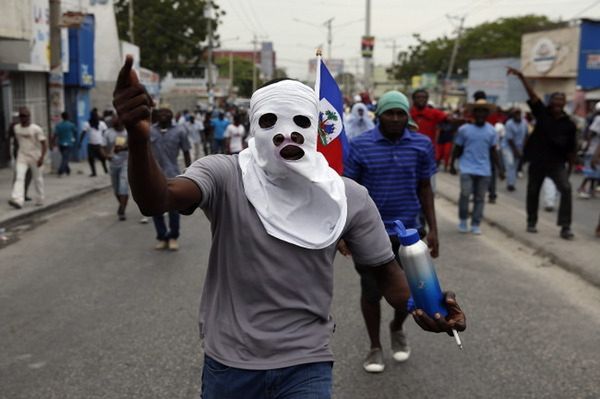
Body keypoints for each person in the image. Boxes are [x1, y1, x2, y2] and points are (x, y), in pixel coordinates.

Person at [113, 56, 466, 398]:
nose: (287, 134)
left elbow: (386, 271)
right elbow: (157, 200)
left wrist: (425, 308)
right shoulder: (224, 175)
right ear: (253, 126)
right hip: (230, 363)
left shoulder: (346, 196)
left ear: (316, 129)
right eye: (270, 122)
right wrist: (139, 138)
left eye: (300, 122)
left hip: (306, 361)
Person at [344, 90, 438, 373]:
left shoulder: (421, 145)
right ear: (379, 115)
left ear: (408, 116)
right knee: (371, 291)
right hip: (368, 235)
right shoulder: (360, 146)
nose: (395, 118)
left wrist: (434, 229)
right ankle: (375, 346)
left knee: (410, 291)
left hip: (410, 233)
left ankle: (397, 326)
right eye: (389, 113)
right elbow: (349, 191)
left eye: (401, 113)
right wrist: (345, 233)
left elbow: (425, 187)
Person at [507, 67, 577, 240]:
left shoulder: (569, 124)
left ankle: (565, 226)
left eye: (561, 99)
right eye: (555, 99)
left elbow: (572, 148)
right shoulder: (542, 113)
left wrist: (571, 166)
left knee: (566, 189)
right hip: (538, 160)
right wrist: (522, 77)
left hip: (557, 163)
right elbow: (533, 96)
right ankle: (531, 221)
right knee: (533, 191)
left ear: (564, 103)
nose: (558, 102)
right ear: (551, 102)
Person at [450, 99, 504, 235]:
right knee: (465, 195)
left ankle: (475, 223)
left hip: (484, 170)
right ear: (473, 113)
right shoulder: (464, 130)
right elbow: (458, 148)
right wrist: (451, 164)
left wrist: (500, 169)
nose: (480, 114)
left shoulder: (492, 131)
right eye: (478, 111)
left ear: (487, 114)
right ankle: (463, 220)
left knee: (480, 198)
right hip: (466, 168)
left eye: (483, 111)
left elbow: (493, 151)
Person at [149, 107, 192, 250]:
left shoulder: (180, 131)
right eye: (161, 112)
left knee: (174, 207)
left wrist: (190, 172)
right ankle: (161, 236)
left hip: (173, 173)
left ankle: (173, 236)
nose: (163, 115)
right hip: (154, 175)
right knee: (156, 207)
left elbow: (186, 151)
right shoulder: (150, 131)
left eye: (167, 112)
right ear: (156, 115)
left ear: (172, 115)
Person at [8, 107, 47, 209]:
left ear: (29, 117)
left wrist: (42, 157)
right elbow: (14, 140)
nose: (22, 118)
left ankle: (40, 198)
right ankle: (17, 200)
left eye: (24, 116)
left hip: (35, 156)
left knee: (37, 178)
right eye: (20, 116)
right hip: (22, 156)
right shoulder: (16, 128)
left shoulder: (36, 129)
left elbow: (44, 144)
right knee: (19, 177)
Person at [105, 116, 129, 221]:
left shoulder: (128, 132)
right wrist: (106, 155)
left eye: (116, 119)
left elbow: (134, 145)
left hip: (126, 162)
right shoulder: (108, 133)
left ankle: (122, 210)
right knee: (116, 189)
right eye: (113, 119)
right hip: (113, 163)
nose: (114, 121)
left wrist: (124, 148)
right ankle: (122, 204)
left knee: (123, 186)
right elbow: (102, 147)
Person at [502, 107, 528, 191]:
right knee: (510, 164)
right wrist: (516, 151)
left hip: (519, 147)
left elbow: (526, 136)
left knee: (515, 166)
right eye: (515, 113)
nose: (517, 115)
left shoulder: (524, 122)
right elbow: (510, 139)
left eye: (518, 113)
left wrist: (522, 149)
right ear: (512, 115)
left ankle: (512, 183)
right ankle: (510, 183)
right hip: (508, 147)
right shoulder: (509, 124)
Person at [80, 108, 108, 177]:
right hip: (91, 144)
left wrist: (105, 141)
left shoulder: (101, 124)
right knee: (91, 159)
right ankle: (94, 172)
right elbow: (83, 133)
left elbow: (105, 132)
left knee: (102, 158)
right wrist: (80, 142)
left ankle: (105, 170)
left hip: (99, 144)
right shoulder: (87, 124)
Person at [52, 111, 77, 176]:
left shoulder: (59, 125)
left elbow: (55, 135)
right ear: (68, 117)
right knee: (65, 158)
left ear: (62, 117)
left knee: (64, 157)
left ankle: (68, 170)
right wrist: (74, 139)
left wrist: (53, 142)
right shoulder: (71, 125)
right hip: (69, 143)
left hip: (61, 143)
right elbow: (75, 132)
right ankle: (61, 171)